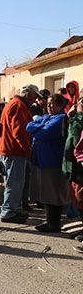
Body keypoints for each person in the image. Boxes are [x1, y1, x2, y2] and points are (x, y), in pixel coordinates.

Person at [0, 84, 40, 223]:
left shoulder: (13, 104)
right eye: (34, 97)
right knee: (15, 183)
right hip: (14, 151)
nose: (35, 100)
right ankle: (9, 211)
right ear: (27, 94)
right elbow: (20, 132)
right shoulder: (19, 106)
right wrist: (28, 151)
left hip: (9, 149)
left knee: (13, 182)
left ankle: (11, 209)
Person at [27, 94, 70, 232]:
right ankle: (48, 220)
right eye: (49, 104)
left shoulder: (61, 119)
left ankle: (54, 222)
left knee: (53, 193)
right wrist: (38, 127)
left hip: (52, 161)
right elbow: (29, 126)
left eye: (53, 104)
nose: (50, 106)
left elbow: (44, 133)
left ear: (60, 105)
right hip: (41, 160)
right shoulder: (47, 117)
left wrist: (37, 128)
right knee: (45, 192)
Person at [63, 95, 83, 242]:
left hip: (80, 162)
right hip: (72, 162)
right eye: (80, 99)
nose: (81, 102)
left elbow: (76, 136)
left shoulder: (80, 117)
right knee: (77, 198)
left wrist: (79, 115)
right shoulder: (75, 116)